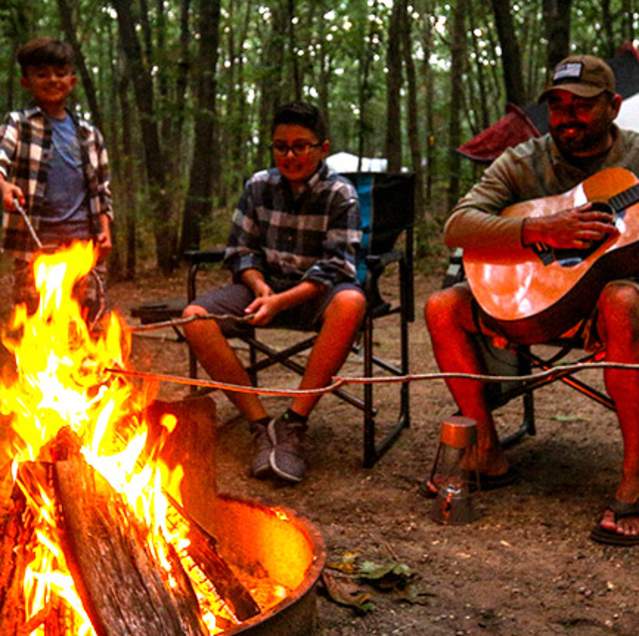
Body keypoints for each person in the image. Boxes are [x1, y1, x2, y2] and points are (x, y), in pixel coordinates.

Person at [424, 54, 639, 545]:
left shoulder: (636, 157)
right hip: (537, 302)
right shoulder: (524, 159)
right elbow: (457, 227)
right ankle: (487, 454)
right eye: (558, 105)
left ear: (614, 106)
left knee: (622, 298)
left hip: (616, 309)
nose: (566, 117)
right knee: (442, 307)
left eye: (582, 106)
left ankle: (635, 476)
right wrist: (539, 230)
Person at [183, 101, 366, 484]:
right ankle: (259, 423)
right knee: (195, 318)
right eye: (280, 146)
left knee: (352, 301)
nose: (290, 155)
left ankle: (295, 422)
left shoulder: (340, 193)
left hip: (316, 295)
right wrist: (260, 286)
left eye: (301, 146)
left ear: (323, 148)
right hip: (261, 291)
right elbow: (241, 250)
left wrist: (281, 300)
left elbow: (337, 265)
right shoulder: (258, 186)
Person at [0, 37, 113, 316]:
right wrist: (3, 186)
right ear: (26, 81)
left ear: (72, 80)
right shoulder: (19, 124)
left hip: (82, 242)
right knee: (35, 318)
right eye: (42, 74)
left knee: (86, 318)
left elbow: (102, 190)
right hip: (35, 243)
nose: (52, 80)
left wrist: (105, 229)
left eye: (60, 73)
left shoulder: (89, 134)